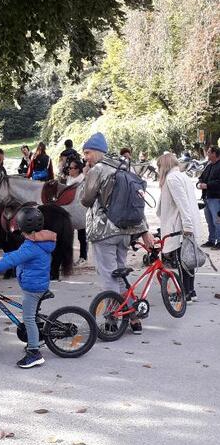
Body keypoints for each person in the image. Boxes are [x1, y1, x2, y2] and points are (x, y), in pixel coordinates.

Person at [81, 132, 154, 334]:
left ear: (97, 151)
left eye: (87, 152)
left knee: (108, 278)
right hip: (125, 232)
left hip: (104, 232)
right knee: (120, 274)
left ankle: (111, 320)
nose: (85, 156)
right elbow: (137, 204)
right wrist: (144, 231)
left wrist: (87, 176)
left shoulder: (98, 169)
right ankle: (134, 318)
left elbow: (85, 200)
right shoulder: (125, 167)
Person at [0, 205, 57, 369]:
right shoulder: (36, 241)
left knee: (28, 318)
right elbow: (18, 255)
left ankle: (34, 353)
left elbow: (17, 258)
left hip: (33, 289)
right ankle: (36, 338)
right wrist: (3, 258)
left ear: (23, 227)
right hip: (37, 284)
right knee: (32, 315)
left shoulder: (31, 246)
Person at [156, 153, 202, 302]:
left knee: (182, 261)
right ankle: (190, 291)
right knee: (187, 260)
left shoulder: (172, 178)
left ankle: (185, 293)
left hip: (179, 226)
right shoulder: (181, 176)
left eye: (159, 166)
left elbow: (182, 203)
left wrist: (187, 226)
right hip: (183, 224)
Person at [64, 157, 88, 265]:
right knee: (69, 235)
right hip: (69, 210)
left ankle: (83, 256)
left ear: (78, 169)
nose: (69, 170)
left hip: (80, 211)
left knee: (82, 235)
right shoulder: (70, 179)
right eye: (69, 168)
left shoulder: (81, 181)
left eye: (71, 168)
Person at [197, 145, 220, 248]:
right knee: (210, 221)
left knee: (217, 221)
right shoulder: (209, 165)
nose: (207, 154)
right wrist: (199, 184)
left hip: (216, 198)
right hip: (207, 198)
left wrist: (208, 185)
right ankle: (211, 240)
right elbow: (201, 178)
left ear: (214, 154)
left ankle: (219, 241)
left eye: (209, 152)